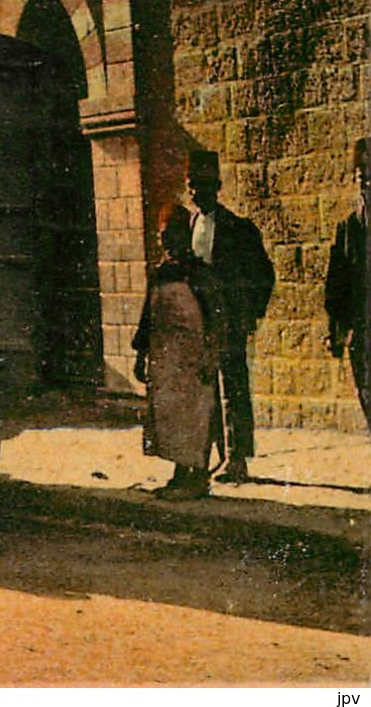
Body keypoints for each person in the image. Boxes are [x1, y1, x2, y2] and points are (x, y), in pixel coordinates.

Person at [186, 150, 274, 484]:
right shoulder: (188, 225)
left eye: (205, 186)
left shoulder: (238, 229)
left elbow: (264, 274)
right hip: (199, 323)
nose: (198, 193)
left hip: (229, 322)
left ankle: (238, 458)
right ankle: (206, 458)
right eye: (193, 186)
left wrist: (248, 314)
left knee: (233, 389)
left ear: (218, 187)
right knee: (202, 392)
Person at [133, 206, 226, 500]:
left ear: (184, 235)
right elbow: (147, 317)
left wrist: (212, 356)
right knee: (171, 417)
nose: (166, 242)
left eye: (171, 235)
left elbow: (216, 318)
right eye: (162, 236)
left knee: (196, 416)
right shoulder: (160, 274)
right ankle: (178, 473)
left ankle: (197, 477)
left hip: (193, 358)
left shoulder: (202, 275)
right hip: (165, 358)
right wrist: (141, 354)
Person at [326, 138, 369, 430]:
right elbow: (335, 286)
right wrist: (336, 334)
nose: (366, 186)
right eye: (361, 179)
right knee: (366, 393)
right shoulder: (348, 228)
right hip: (363, 331)